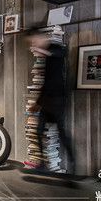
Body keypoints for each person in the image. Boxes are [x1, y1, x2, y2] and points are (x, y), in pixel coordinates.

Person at [29, 33, 75, 173]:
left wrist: (42, 51)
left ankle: (72, 162)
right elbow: (46, 82)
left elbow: (61, 53)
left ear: (42, 38)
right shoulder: (47, 55)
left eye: (35, 41)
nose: (34, 44)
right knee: (38, 131)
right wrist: (38, 103)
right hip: (47, 101)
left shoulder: (55, 48)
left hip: (57, 100)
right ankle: (43, 164)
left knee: (61, 133)